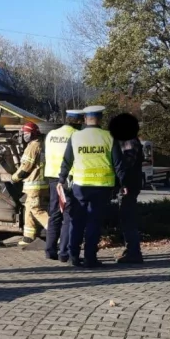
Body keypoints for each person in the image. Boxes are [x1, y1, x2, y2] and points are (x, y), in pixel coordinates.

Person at [59, 105, 121, 269]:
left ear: (85, 119)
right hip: (102, 187)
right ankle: (90, 258)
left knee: (77, 221)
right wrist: (123, 184)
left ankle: (73, 256)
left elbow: (67, 161)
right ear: (100, 119)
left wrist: (61, 179)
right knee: (94, 223)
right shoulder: (109, 137)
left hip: (80, 187)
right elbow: (118, 163)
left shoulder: (75, 137)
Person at [43, 109, 83, 262]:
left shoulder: (51, 134)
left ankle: (50, 250)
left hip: (53, 178)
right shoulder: (77, 135)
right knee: (68, 215)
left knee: (54, 214)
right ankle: (64, 252)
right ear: (78, 122)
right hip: (69, 178)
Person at [110, 113, 144, 264]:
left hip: (128, 185)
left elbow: (126, 164)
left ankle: (133, 252)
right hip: (131, 183)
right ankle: (130, 248)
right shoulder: (129, 140)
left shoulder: (128, 142)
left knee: (127, 218)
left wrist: (122, 183)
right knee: (126, 217)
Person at [11, 122, 49, 244]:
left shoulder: (33, 146)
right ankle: (28, 237)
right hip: (39, 183)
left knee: (36, 209)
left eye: (26, 133)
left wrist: (14, 177)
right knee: (28, 209)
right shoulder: (42, 144)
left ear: (32, 134)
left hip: (35, 184)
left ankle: (57, 233)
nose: (24, 136)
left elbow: (26, 167)